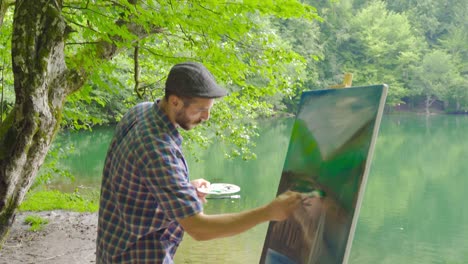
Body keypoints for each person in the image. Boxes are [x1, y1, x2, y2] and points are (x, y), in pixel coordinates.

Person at [96, 62, 304, 263]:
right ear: (175, 101)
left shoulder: (141, 112)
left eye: (209, 109)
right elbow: (199, 228)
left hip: (114, 250)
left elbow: (132, 184)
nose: (206, 117)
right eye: (200, 109)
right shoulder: (158, 148)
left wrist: (182, 189)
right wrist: (268, 212)